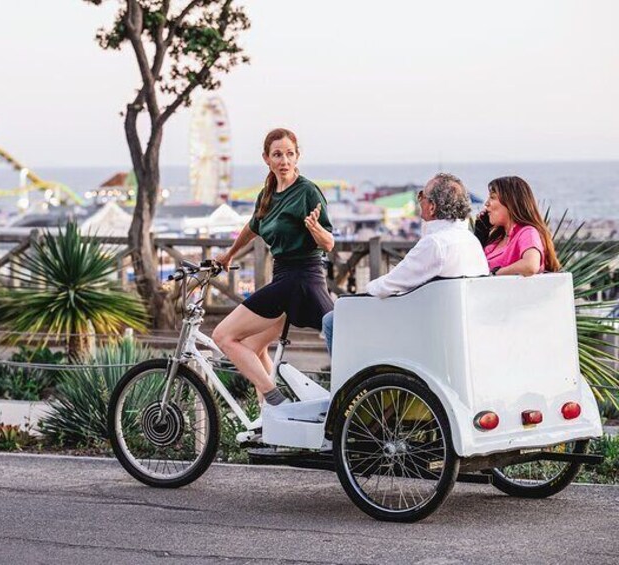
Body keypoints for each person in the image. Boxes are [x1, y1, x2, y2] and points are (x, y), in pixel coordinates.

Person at [213, 128, 334, 407]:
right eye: (277, 154)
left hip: (301, 279)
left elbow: (328, 243)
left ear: (297, 156)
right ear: (266, 158)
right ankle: (270, 423)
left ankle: (274, 399)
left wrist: (315, 229)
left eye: (289, 154)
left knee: (223, 336)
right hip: (283, 278)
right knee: (253, 348)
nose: (284, 160)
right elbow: (253, 226)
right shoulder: (268, 193)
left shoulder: (306, 191)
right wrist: (229, 254)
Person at [322, 173, 489, 354]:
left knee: (333, 320)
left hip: (420, 324)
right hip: (451, 322)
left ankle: (344, 379)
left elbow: (388, 285)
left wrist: (359, 295)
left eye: (421, 196)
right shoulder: (470, 240)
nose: (419, 201)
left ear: (432, 207)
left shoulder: (435, 243)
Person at [475, 175, 560, 276]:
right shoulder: (497, 239)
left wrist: (494, 274)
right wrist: (480, 236)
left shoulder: (527, 232)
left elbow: (530, 266)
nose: (486, 203)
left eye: (492, 197)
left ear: (510, 202)